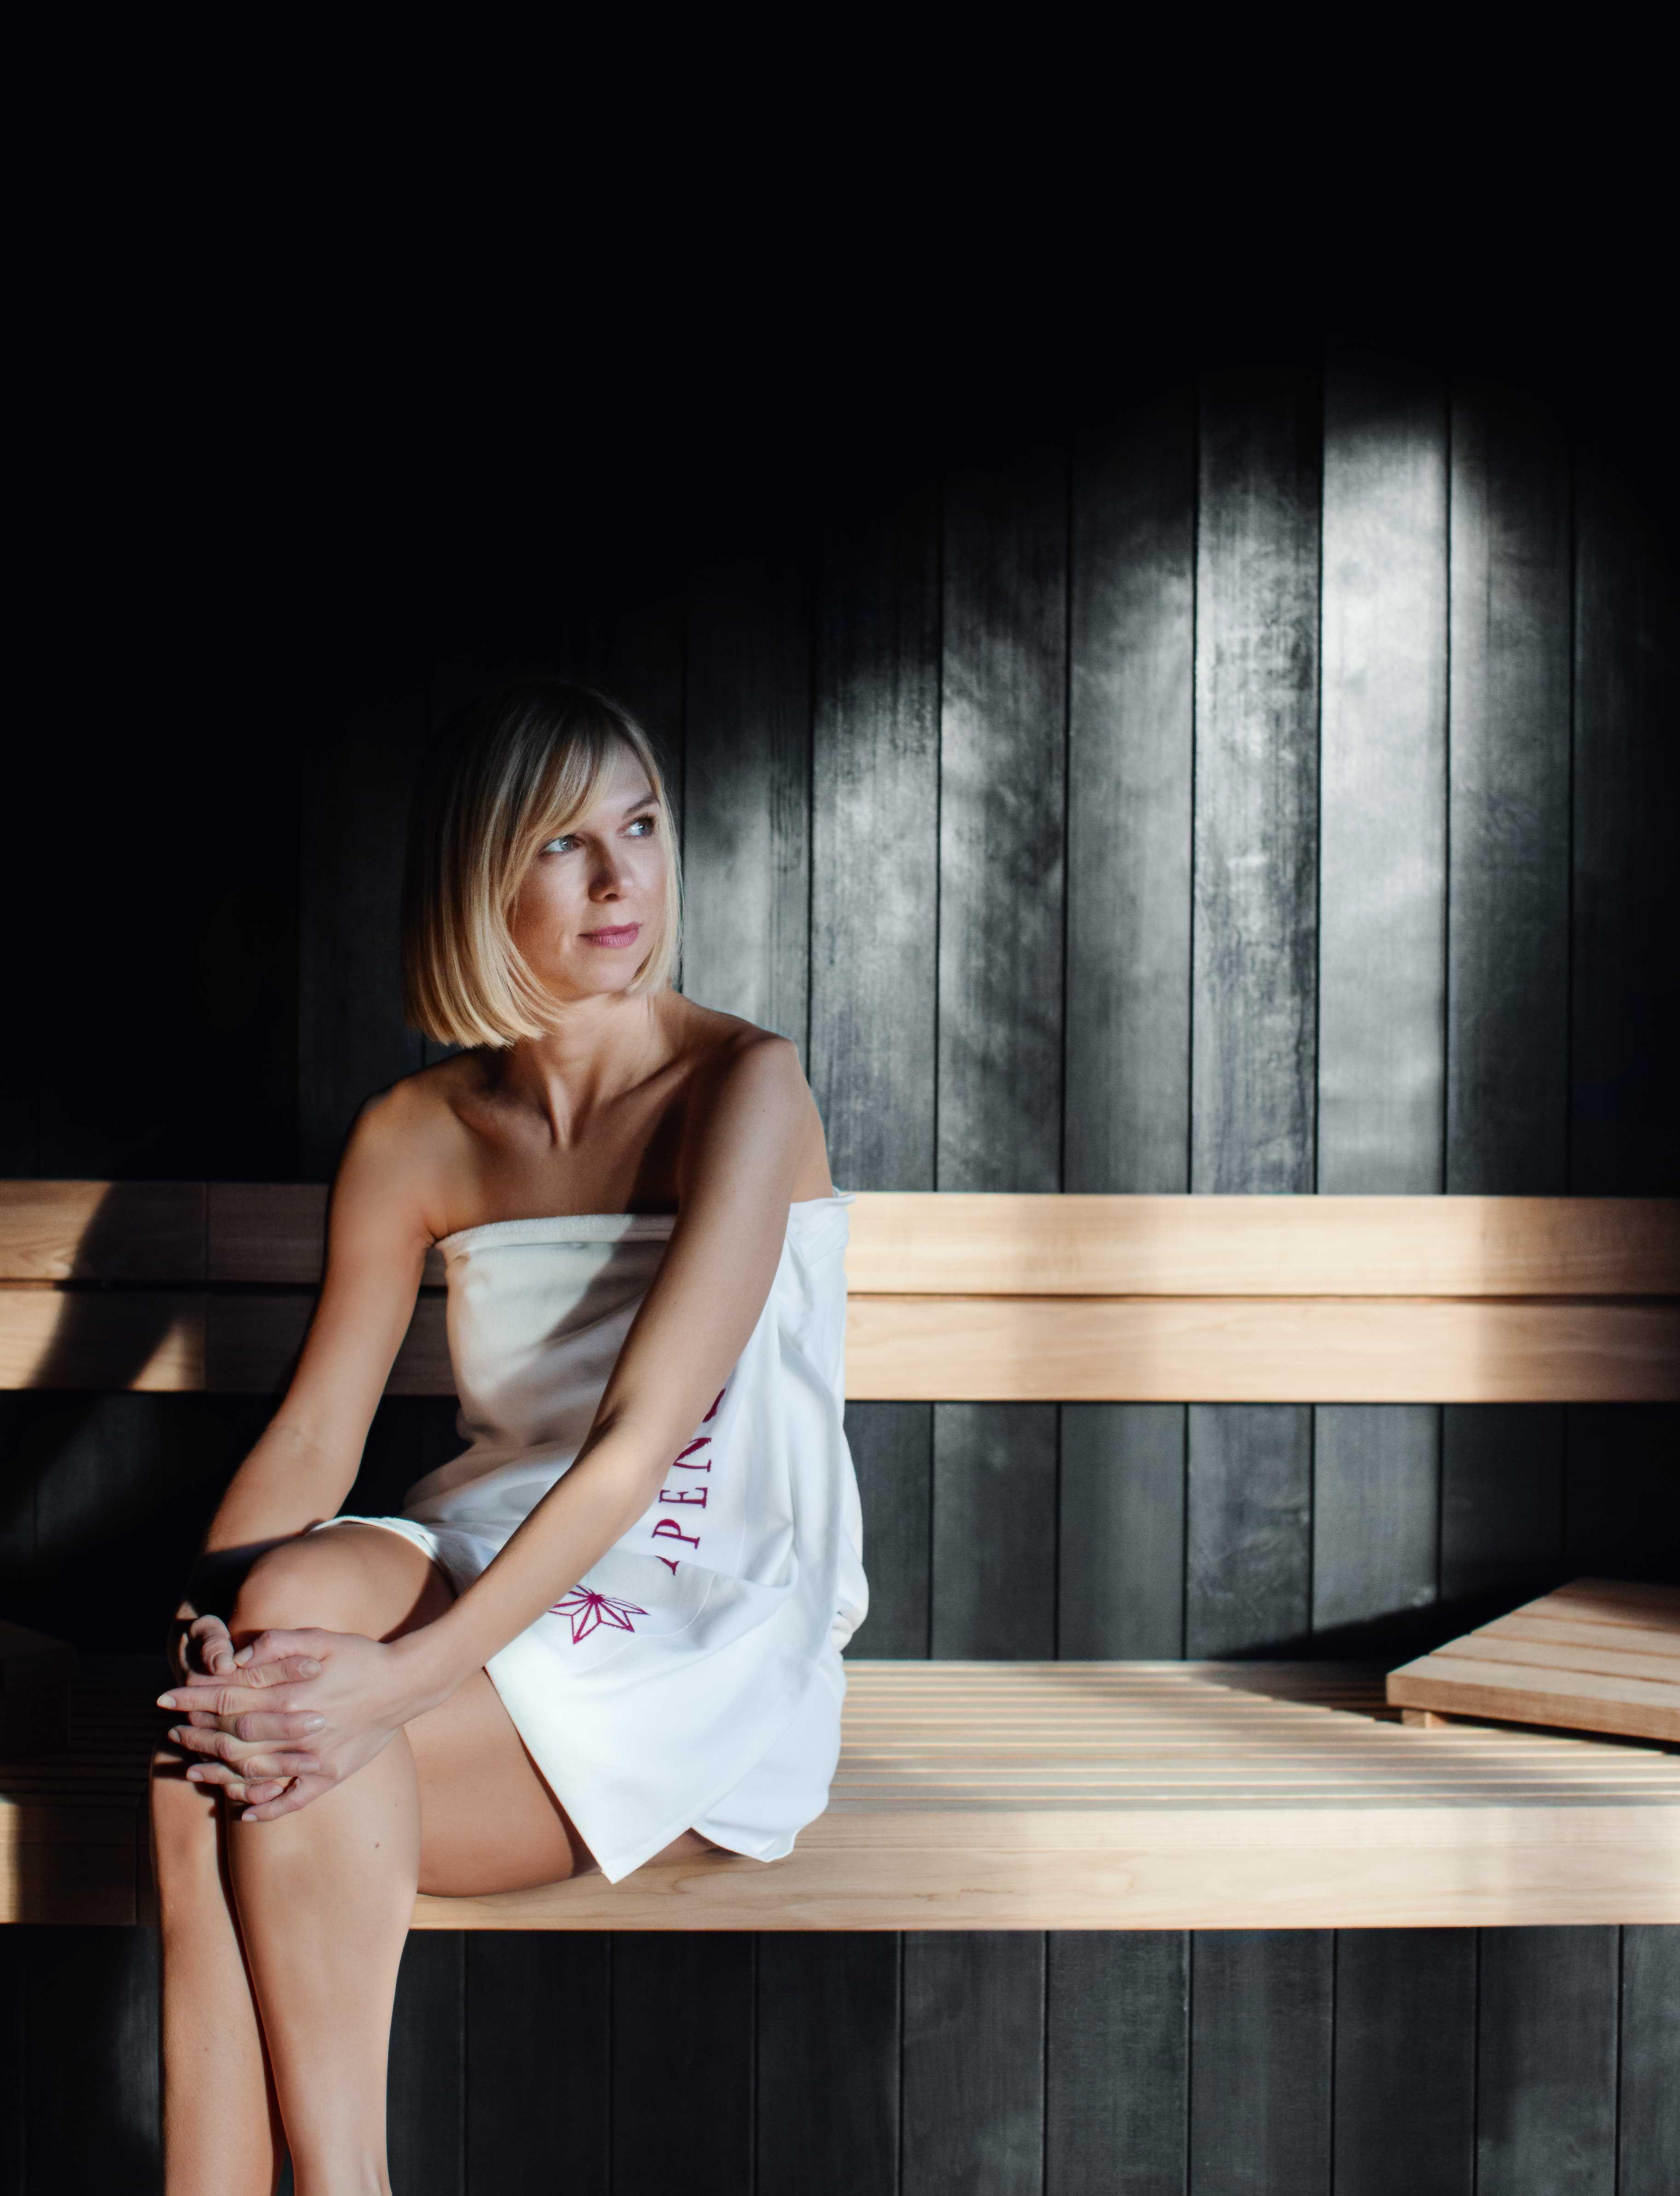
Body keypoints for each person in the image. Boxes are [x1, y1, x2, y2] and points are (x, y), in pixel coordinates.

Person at [149, 678, 868, 2196]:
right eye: (564, 842)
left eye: (642, 825)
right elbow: (316, 1437)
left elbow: (635, 1439)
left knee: (247, 1753)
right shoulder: (418, 1131)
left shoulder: (743, 1087)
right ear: (482, 875)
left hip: (689, 1598)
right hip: (483, 1550)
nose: (621, 880)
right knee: (237, 1693)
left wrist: (392, 1683)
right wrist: (208, 1621)